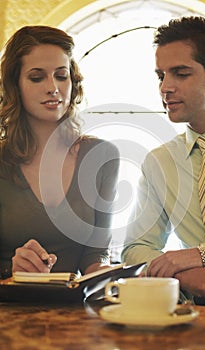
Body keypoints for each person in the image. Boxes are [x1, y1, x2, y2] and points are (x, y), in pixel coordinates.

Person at [122, 16, 205, 306]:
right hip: (200, 318)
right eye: (161, 76)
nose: (165, 88)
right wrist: (185, 275)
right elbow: (136, 248)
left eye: (180, 74)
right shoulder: (160, 162)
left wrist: (201, 255)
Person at [0, 25, 119, 280]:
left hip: (74, 310)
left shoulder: (102, 156)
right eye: (36, 77)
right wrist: (13, 270)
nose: (53, 87)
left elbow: (95, 254)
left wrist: (114, 275)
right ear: (15, 85)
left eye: (61, 76)